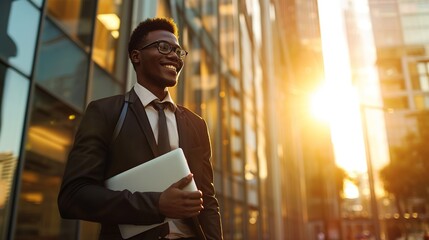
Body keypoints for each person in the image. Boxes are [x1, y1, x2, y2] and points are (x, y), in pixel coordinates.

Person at [58, 17, 223, 240]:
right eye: (164, 47)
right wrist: (156, 204)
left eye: (178, 50)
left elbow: (208, 201)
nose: (174, 56)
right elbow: (73, 196)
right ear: (136, 56)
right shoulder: (106, 112)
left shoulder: (196, 124)